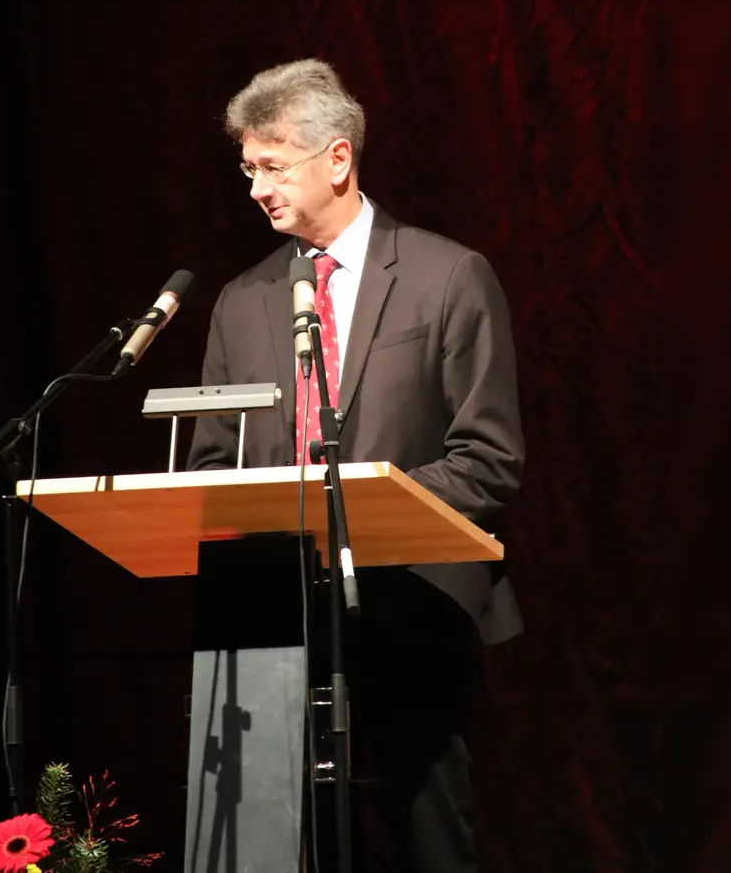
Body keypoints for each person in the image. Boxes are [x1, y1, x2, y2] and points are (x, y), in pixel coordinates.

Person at [187, 59, 526, 873]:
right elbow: (212, 461)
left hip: (410, 597)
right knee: (254, 847)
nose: (256, 189)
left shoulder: (448, 277)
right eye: (248, 169)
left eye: (273, 166)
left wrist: (363, 509)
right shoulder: (243, 301)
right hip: (270, 606)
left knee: (433, 841)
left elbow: (489, 460)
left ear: (337, 158)